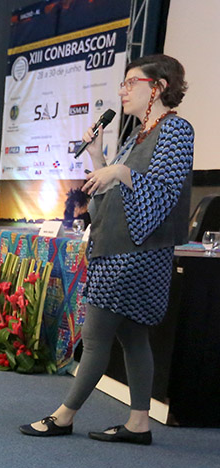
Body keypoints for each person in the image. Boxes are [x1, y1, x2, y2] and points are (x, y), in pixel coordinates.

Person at [21, 54, 194, 446]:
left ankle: (64, 416)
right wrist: (100, 156)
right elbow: (110, 194)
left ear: (158, 87)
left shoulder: (176, 129)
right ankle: (139, 424)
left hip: (137, 254)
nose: (122, 91)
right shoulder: (137, 136)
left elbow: (164, 195)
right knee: (133, 337)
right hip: (117, 247)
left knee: (96, 336)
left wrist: (119, 170)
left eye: (131, 82)